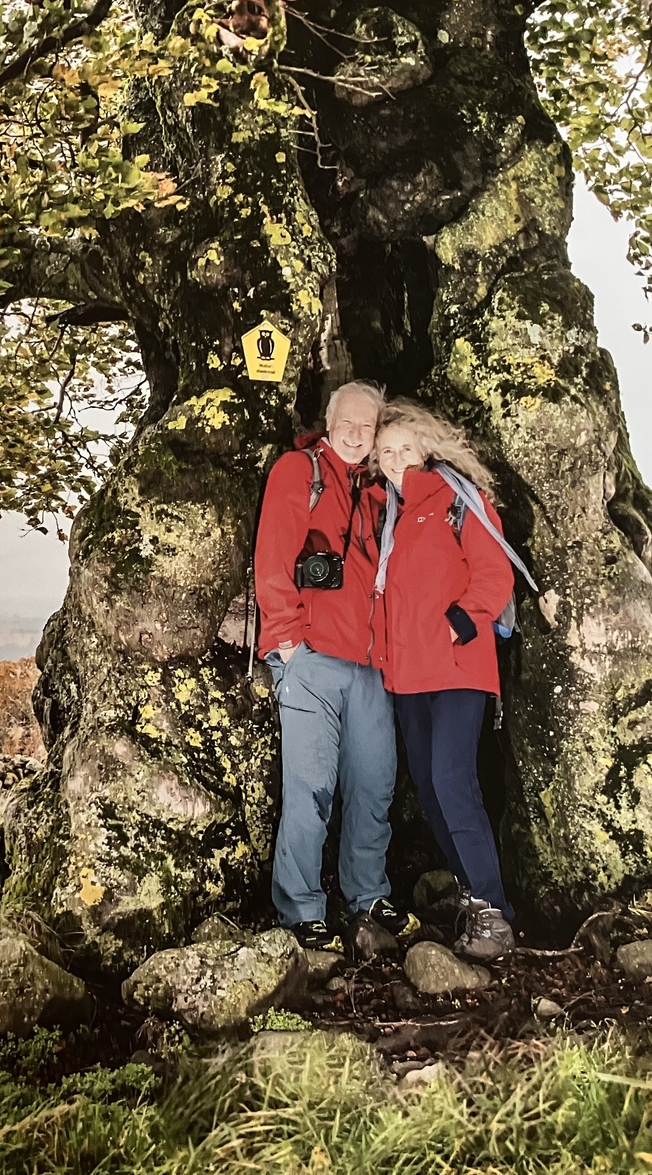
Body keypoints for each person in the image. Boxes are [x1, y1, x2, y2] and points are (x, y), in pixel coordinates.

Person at [254, 381, 421, 953]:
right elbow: (272, 558)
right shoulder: (298, 471)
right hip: (312, 658)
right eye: (346, 422)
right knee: (310, 786)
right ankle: (301, 908)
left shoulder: (382, 490)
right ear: (328, 421)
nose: (355, 433)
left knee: (374, 783)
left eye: (367, 426)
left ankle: (367, 895)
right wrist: (288, 643)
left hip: (373, 666)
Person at [371, 399, 517, 960]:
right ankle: (473, 898)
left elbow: (494, 570)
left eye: (405, 448)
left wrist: (463, 620)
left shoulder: (459, 498)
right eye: (385, 452)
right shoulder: (392, 515)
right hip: (408, 675)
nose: (395, 458)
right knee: (431, 792)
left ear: (427, 448)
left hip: (457, 666)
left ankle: (496, 915)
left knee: (454, 783)